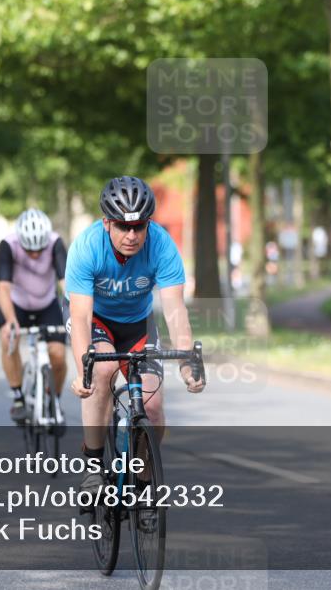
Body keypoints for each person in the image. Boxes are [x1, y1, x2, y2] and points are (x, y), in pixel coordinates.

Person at [66, 176, 205, 494]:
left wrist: (186, 363)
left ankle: (141, 478)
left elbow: (174, 310)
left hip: (138, 323)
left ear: (148, 224)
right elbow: (81, 315)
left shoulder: (162, 245)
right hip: (96, 320)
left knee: (153, 407)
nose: (132, 235)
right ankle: (93, 463)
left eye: (139, 227)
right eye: (123, 227)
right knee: (102, 370)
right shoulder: (86, 248)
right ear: (106, 223)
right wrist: (83, 372)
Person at [0, 208, 69, 423]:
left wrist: (74, 311)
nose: (35, 254)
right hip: (16, 304)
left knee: (58, 355)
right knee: (9, 337)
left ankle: (51, 400)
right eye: (29, 250)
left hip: (46, 304)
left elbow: (66, 283)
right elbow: (3, 288)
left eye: (39, 249)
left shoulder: (55, 242)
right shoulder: (8, 245)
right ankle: (18, 398)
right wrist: (10, 321)